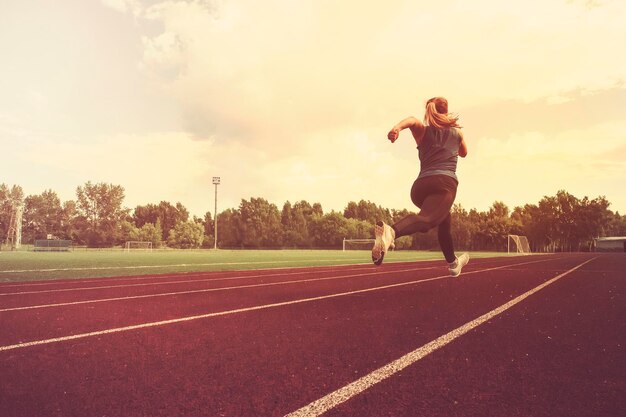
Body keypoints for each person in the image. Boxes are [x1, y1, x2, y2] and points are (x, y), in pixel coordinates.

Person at [372, 97, 470, 277]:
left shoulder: (422, 131)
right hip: (444, 185)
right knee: (426, 220)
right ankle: (391, 232)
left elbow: (411, 120)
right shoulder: (457, 133)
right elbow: (464, 153)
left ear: (429, 111)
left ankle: (453, 263)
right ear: (446, 111)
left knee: (443, 221)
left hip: (420, 188)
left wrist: (396, 129)